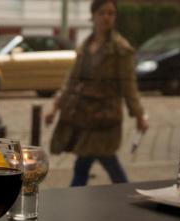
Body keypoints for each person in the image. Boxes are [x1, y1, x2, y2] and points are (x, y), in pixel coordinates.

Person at [45, 0, 149, 187]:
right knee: (91, 162)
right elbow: (72, 80)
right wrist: (55, 106)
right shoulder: (86, 46)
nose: (107, 17)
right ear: (93, 16)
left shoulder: (120, 49)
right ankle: (122, 192)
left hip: (105, 118)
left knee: (96, 161)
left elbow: (129, 85)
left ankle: (120, 193)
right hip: (84, 116)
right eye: (102, 13)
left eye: (111, 13)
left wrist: (139, 115)